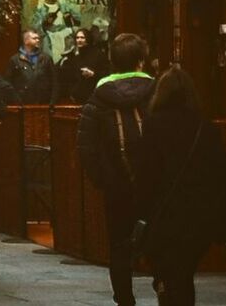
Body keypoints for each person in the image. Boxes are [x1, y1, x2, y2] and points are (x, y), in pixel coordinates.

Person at [132, 67, 226, 306]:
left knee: (169, 274)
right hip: (198, 215)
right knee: (184, 273)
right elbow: (219, 172)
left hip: (165, 214)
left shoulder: (153, 125)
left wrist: (141, 210)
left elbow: (147, 174)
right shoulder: (205, 127)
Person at [78, 32, 156, 306]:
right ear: (141, 61)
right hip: (155, 182)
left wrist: (104, 179)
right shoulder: (157, 92)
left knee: (119, 245)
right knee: (160, 238)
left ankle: (125, 299)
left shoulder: (99, 97)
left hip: (117, 184)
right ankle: (166, 287)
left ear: (112, 61)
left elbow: (86, 146)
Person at [5, 29, 59, 105]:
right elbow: (8, 84)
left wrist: (52, 103)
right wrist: (15, 101)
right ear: (26, 41)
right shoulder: (15, 60)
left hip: (43, 103)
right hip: (23, 103)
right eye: (34, 38)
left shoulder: (46, 58)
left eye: (38, 38)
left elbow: (54, 82)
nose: (38, 40)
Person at [61, 28, 107, 104]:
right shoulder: (74, 57)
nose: (79, 40)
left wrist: (93, 74)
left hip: (94, 98)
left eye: (82, 37)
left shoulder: (98, 55)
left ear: (88, 39)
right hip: (77, 100)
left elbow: (106, 73)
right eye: (77, 38)